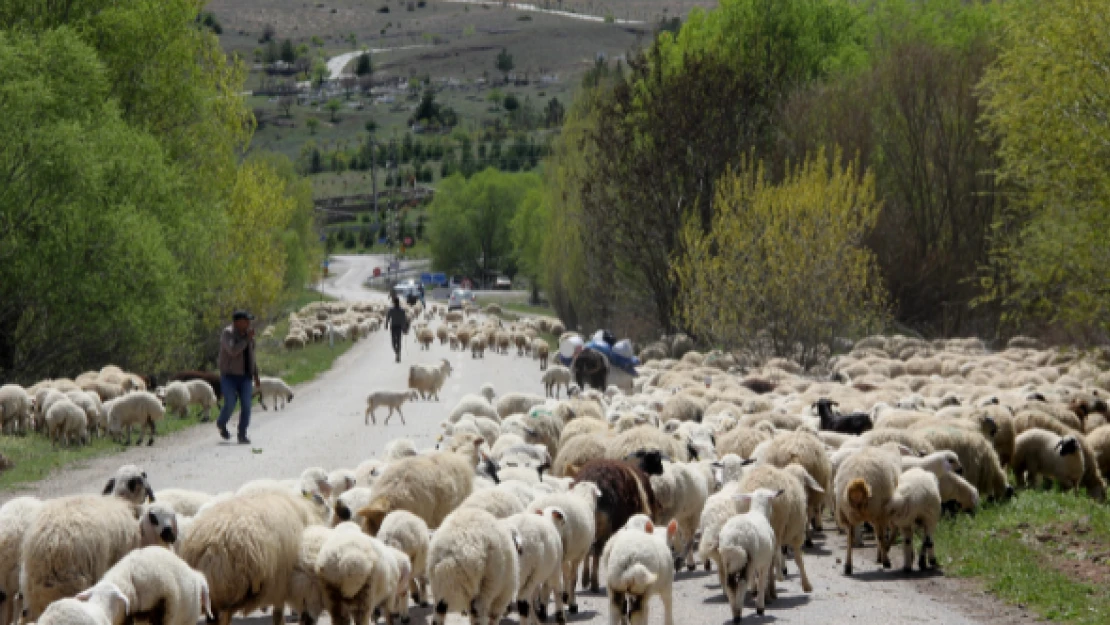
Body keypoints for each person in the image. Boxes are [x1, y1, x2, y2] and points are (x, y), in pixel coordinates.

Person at [216, 310, 260, 444]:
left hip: (246, 376)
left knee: (247, 405)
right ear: (237, 322)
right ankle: (221, 423)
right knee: (230, 402)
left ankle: (242, 433)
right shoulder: (227, 333)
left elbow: (252, 357)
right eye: (245, 321)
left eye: (249, 321)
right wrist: (246, 339)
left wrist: (256, 374)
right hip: (229, 376)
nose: (248, 324)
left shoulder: (249, 337)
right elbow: (233, 350)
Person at [385, 295, 408, 362]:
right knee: (398, 341)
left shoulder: (392, 310)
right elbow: (404, 320)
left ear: (394, 302)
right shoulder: (401, 311)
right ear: (398, 302)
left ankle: (397, 353)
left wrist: (386, 325)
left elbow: (388, 318)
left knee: (394, 342)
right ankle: (398, 353)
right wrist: (405, 328)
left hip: (394, 327)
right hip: (398, 327)